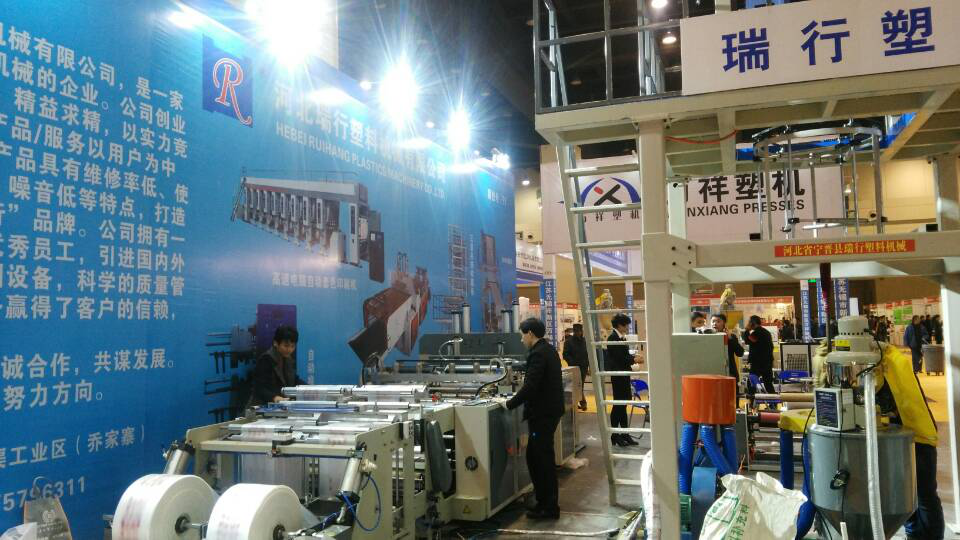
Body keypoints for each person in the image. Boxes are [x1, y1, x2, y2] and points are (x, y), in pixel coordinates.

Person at [506, 318, 565, 520]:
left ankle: (548, 507)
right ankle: (544, 502)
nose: (522, 339)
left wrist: (509, 403)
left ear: (530, 333)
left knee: (541, 459)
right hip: (549, 411)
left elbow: (530, 387)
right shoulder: (548, 350)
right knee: (536, 456)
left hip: (542, 414)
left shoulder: (538, 353)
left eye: (522, 335)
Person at [604, 313, 639, 447]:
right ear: (619, 325)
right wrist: (634, 359)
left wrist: (632, 357)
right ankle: (615, 435)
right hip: (618, 376)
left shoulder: (620, 337)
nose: (627, 327)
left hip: (623, 375)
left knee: (623, 404)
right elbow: (620, 358)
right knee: (618, 405)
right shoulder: (613, 338)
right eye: (626, 325)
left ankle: (624, 433)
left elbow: (623, 356)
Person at [249, 325, 306, 406]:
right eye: (286, 346)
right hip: (261, 406)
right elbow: (259, 388)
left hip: (280, 405)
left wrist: (310, 389)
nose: (289, 349)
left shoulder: (288, 360)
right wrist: (274, 397)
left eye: (293, 346)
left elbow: (294, 380)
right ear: (275, 343)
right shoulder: (266, 360)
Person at [744, 315, 776, 393]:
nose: (748, 323)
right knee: (768, 384)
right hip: (767, 362)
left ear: (753, 323)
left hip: (758, 363)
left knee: (751, 382)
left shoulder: (757, 333)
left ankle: (752, 399)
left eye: (749, 322)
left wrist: (747, 330)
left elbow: (747, 341)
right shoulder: (766, 332)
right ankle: (773, 400)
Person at [562, 324, 589, 411]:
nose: (578, 333)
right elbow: (565, 354)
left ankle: (578, 403)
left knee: (579, 385)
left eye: (579, 331)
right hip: (574, 368)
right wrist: (572, 363)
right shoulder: (568, 342)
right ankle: (582, 403)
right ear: (574, 331)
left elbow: (588, 354)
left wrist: (588, 365)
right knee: (577, 385)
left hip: (584, 367)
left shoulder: (585, 341)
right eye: (576, 331)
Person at [712, 313, 744, 382]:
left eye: (718, 321)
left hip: (730, 373)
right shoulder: (707, 338)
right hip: (714, 373)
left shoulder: (731, 337)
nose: (715, 323)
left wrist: (730, 338)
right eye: (713, 321)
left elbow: (740, 353)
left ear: (724, 324)